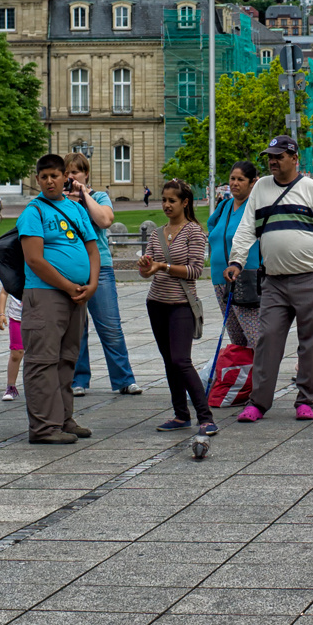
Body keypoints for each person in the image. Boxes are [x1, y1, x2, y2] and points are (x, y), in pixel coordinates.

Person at [224, 135, 313, 423]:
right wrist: (236, 260)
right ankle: (258, 402)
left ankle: (306, 399)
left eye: (279, 156)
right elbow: (246, 228)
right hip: (274, 282)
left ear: (294, 158)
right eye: (270, 156)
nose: (273, 161)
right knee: (267, 339)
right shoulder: (261, 188)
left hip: (312, 279)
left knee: (310, 343)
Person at [16, 153, 99, 444]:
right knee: (42, 361)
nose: (50, 181)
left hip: (77, 295)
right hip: (45, 294)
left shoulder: (76, 209)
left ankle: (64, 419)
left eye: (55, 175)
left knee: (67, 360)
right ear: (37, 179)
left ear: (66, 177)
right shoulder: (33, 212)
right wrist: (68, 286)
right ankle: (43, 427)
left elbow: (92, 249)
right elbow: (34, 259)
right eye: (44, 177)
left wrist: (92, 284)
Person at [139, 179, 213, 436]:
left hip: (181, 305)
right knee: (170, 361)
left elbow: (195, 270)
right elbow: (147, 273)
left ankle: (205, 417)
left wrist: (164, 267)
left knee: (181, 360)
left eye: (172, 200)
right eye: (164, 200)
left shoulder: (193, 231)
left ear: (185, 203)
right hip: (156, 303)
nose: (167, 205)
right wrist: (147, 267)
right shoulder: (157, 233)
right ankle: (181, 414)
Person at [65, 154, 141, 398]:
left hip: (101, 268)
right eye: (67, 173)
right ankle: (78, 379)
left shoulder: (98, 197)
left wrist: (84, 195)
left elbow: (105, 220)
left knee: (110, 325)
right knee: (76, 328)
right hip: (71, 268)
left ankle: (124, 379)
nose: (71, 177)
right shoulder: (60, 200)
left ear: (86, 174)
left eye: (76, 172)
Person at [207, 161, 262, 349]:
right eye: (232, 178)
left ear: (252, 183)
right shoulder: (224, 206)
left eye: (241, 179)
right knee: (236, 338)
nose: (235, 183)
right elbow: (213, 228)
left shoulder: (254, 207)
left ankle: (263, 374)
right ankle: (246, 374)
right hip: (219, 279)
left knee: (254, 336)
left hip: (245, 278)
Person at [0, 288, 22, 400]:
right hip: (17, 317)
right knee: (16, 352)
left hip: (39, 317)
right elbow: (4, 292)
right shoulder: (14, 274)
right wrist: (1, 314)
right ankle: (11, 386)